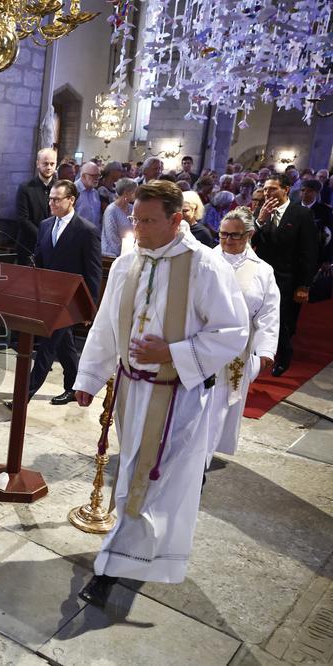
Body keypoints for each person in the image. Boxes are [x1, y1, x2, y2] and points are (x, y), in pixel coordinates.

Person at [72, 180, 248, 607]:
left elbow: (233, 333)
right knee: (137, 477)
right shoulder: (126, 264)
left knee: (142, 481)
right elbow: (106, 325)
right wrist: (88, 377)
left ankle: (111, 570)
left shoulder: (205, 266)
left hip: (176, 398)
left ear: (177, 219)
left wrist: (171, 351)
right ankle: (138, 553)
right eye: (135, 219)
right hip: (132, 393)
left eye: (149, 221)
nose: (139, 229)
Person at [207, 207, 280, 465]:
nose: (227, 240)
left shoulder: (261, 270)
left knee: (222, 401)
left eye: (235, 236)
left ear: (249, 235)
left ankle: (205, 453)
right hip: (203, 341)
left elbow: (269, 313)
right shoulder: (206, 259)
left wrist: (266, 350)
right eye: (223, 234)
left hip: (237, 347)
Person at [24, 180, 102, 405]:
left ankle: (24, 395)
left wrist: (90, 308)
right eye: (50, 198)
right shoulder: (46, 224)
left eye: (57, 199)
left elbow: (93, 273)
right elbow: (40, 257)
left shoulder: (87, 230)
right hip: (48, 295)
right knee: (65, 344)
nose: (52, 203)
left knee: (48, 345)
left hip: (71, 299)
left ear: (71, 200)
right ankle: (73, 387)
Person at [252, 174, 319, 376]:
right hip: (261, 274)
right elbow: (250, 240)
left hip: (287, 277)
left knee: (280, 319)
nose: (267, 193)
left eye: (272, 189)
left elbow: (309, 251)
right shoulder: (260, 211)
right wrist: (260, 220)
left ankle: (283, 355)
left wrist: (304, 285)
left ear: (286, 190)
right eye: (265, 189)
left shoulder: (300, 214)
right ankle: (258, 353)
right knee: (258, 315)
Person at [15, 148, 57, 265]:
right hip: (29, 245)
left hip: (53, 246)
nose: (49, 167)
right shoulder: (26, 188)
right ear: (38, 163)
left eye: (52, 164)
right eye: (45, 163)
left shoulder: (60, 188)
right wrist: (43, 237)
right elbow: (23, 219)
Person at [101, 177, 137, 257]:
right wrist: (123, 253)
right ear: (126, 193)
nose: (136, 194)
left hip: (129, 253)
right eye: (134, 191)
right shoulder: (111, 210)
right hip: (111, 254)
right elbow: (111, 237)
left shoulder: (132, 208)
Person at [74, 161, 103, 230]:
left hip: (93, 234)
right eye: (93, 176)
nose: (97, 179)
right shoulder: (73, 190)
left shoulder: (95, 193)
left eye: (98, 175)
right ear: (83, 176)